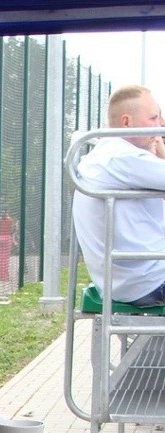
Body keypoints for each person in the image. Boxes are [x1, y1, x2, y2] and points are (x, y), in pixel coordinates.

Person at [72, 85, 165, 305]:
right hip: (149, 281)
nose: (160, 125)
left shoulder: (108, 154)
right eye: (153, 118)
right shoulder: (123, 158)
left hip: (131, 280)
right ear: (126, 122)